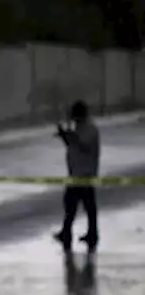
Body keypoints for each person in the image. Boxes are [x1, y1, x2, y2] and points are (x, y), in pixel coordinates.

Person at [53, 100, 101, 252]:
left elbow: (84, 145)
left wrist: (72, 136)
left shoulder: (90, 129)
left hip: (85, 174)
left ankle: (87, 233)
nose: (74, 121)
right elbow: (73, 144)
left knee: (84, 206)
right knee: (72, 204)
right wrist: (64, 136)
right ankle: (71, 232)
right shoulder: (79, 128)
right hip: (75, 173)